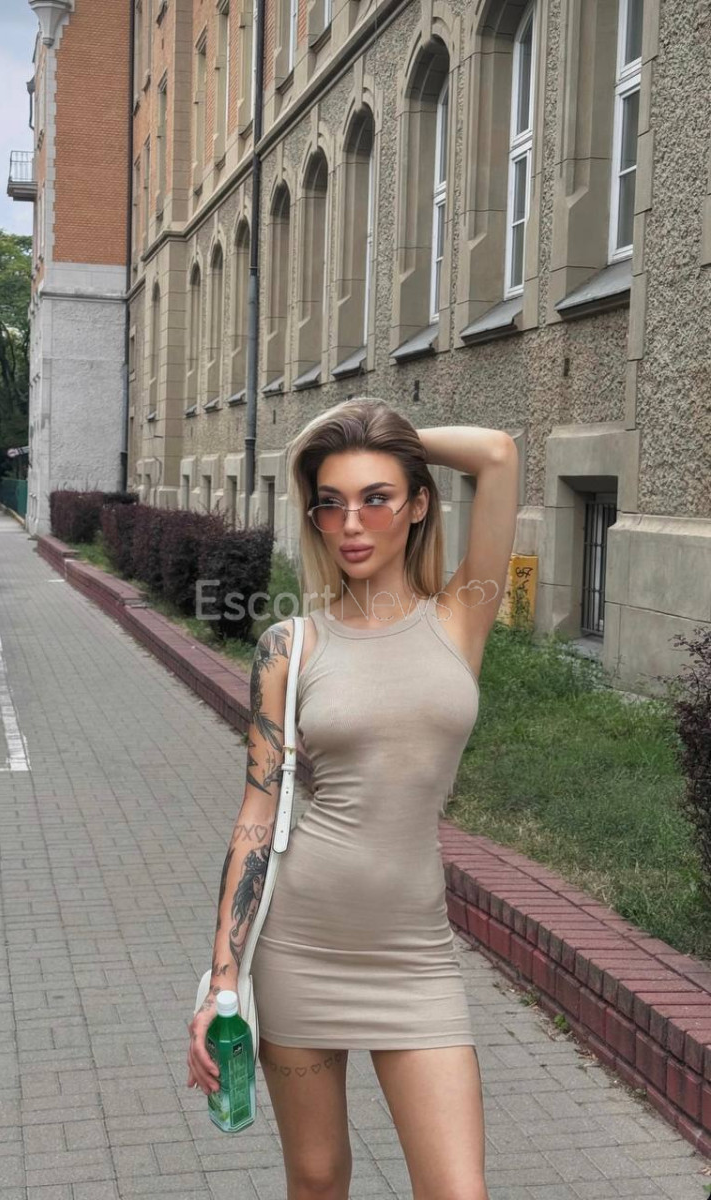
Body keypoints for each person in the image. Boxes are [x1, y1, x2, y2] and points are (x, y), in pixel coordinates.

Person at [187, 398, 519, 1199]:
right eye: (330, 503)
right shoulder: (290, 645)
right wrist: (224, 979)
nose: (352, 523)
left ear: (419, 504)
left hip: (416, 957)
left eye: (377, 498)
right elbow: (256, 817)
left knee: (457, 1190)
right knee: (317, 1178)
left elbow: (499, 455)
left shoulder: (461, 616)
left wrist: (374, 433)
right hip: (300, 949)